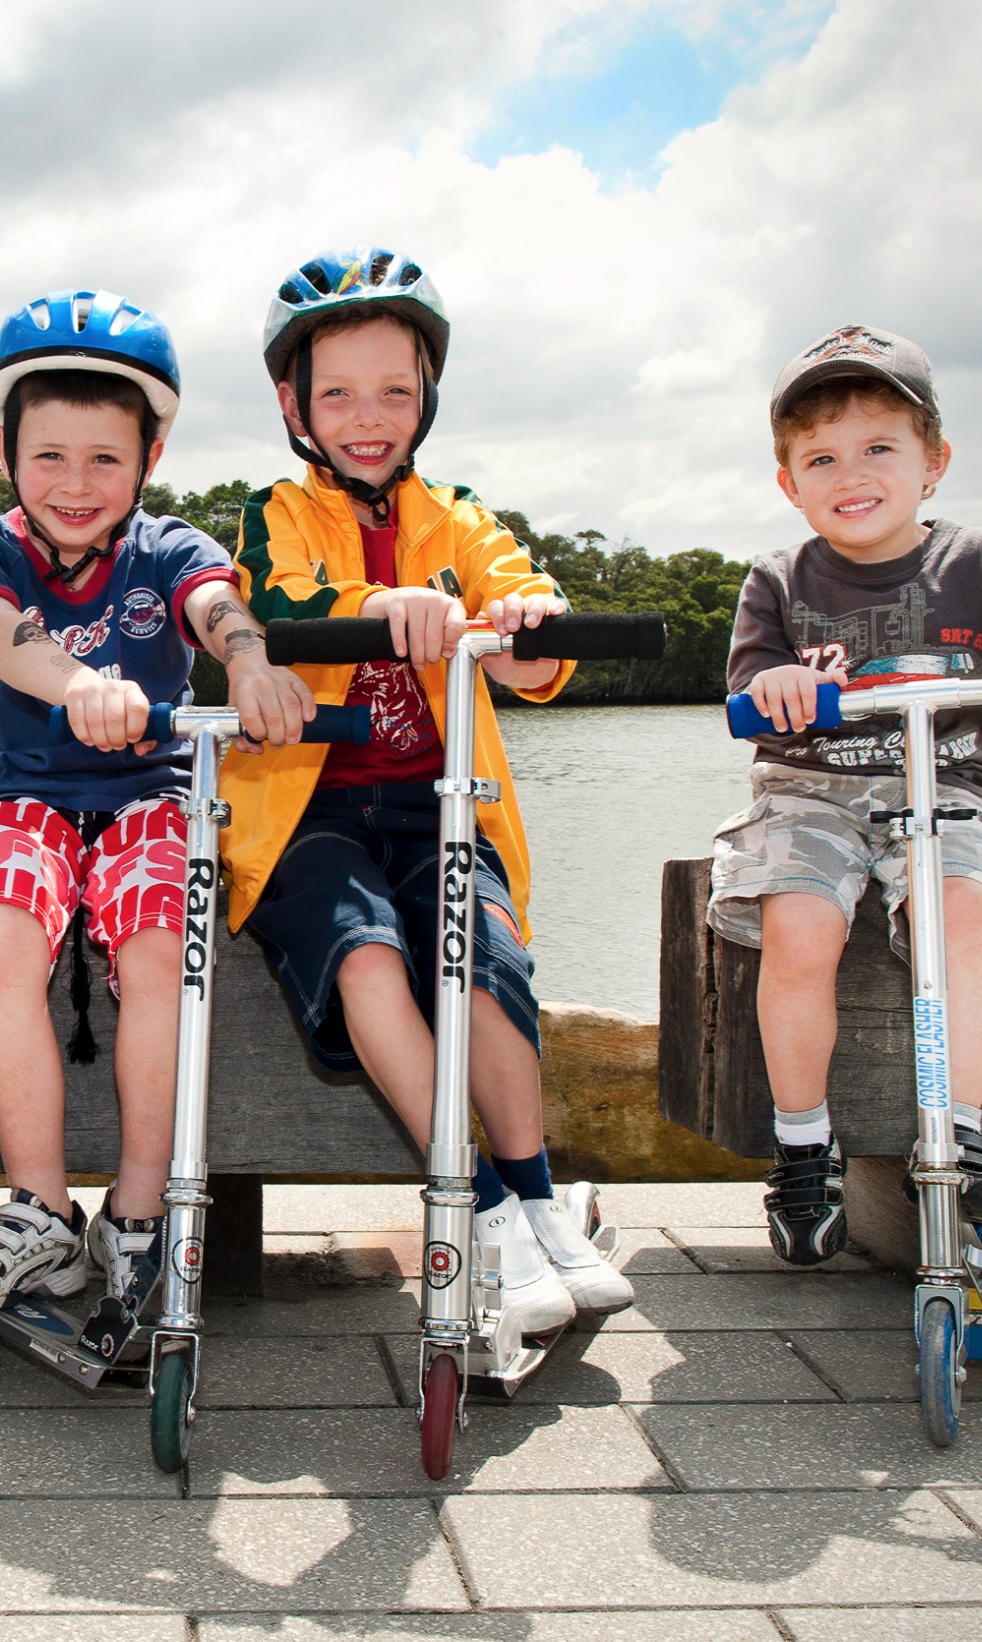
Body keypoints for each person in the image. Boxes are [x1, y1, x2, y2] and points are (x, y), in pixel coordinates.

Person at [223, 246, 633, 1343]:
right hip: (309, 818)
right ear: (293, 404)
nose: (369, 416)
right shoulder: (276, 513)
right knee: (365, 953)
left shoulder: (457, 517)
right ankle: (477, 1210)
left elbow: (524, 602)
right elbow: (281, 597)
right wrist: (385, 597)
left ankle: (540, 1202)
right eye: (340, 392)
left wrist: (527, 642)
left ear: (428, 399)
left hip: (443, 805)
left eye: (395, 391)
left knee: (487, 968)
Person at [0, 289, 317, 1309]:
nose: (75, 483)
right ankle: (42, 1210)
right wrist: (78, 684)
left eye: (105, 458)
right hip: (22, 792)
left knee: (159, 944)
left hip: (147, 789)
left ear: (146, 460)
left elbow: (216, 605)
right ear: (4, 450)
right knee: (0, 932)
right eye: (48, 455)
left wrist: (249, 661)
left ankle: (139, 1209)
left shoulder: (167, 548)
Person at [713, 323, 982, 1264]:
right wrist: (773, 685)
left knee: (960, 908)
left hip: (943, 787)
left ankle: (963, 1129)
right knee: (801, 925)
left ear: (933, 462)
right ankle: (803, 1145)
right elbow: (748, 690)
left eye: (878, 449)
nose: (849, 474)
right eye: (820, 457)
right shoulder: (778, 578)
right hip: (809, 789)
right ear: (790, 482)